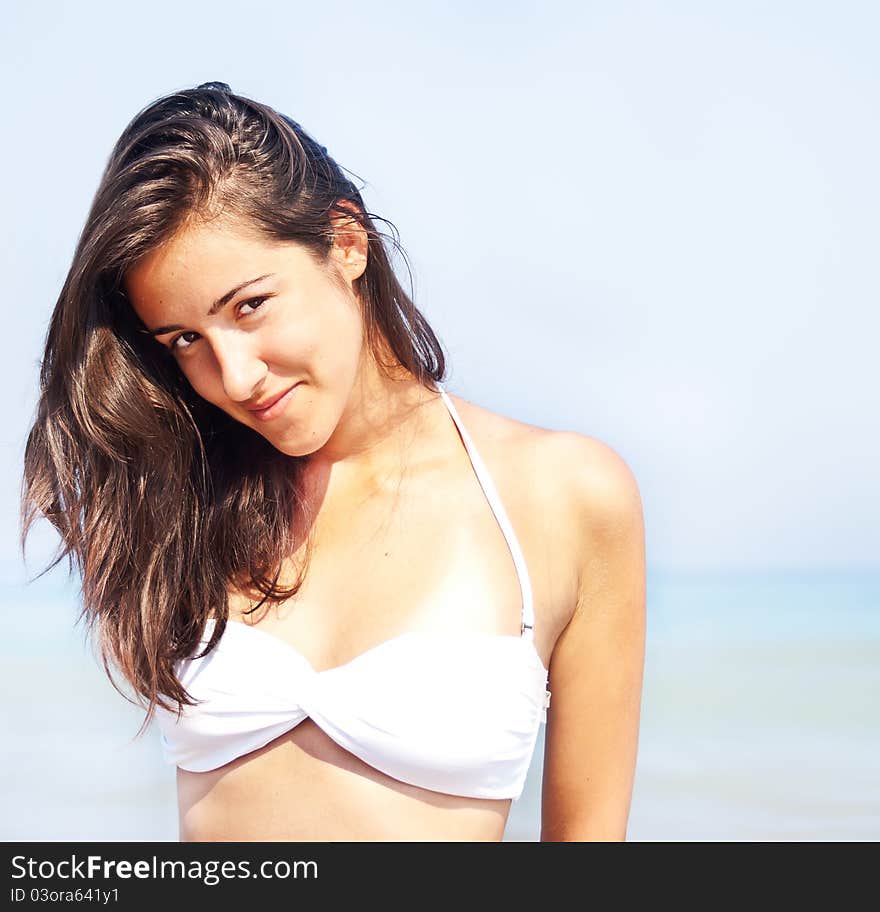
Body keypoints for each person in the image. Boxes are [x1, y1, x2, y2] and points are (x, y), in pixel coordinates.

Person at [20, 82, 646, 842]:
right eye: (185, 339)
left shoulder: (561, 495)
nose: (236, 376)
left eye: (249, 306)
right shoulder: (190, 499)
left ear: (346, 243)